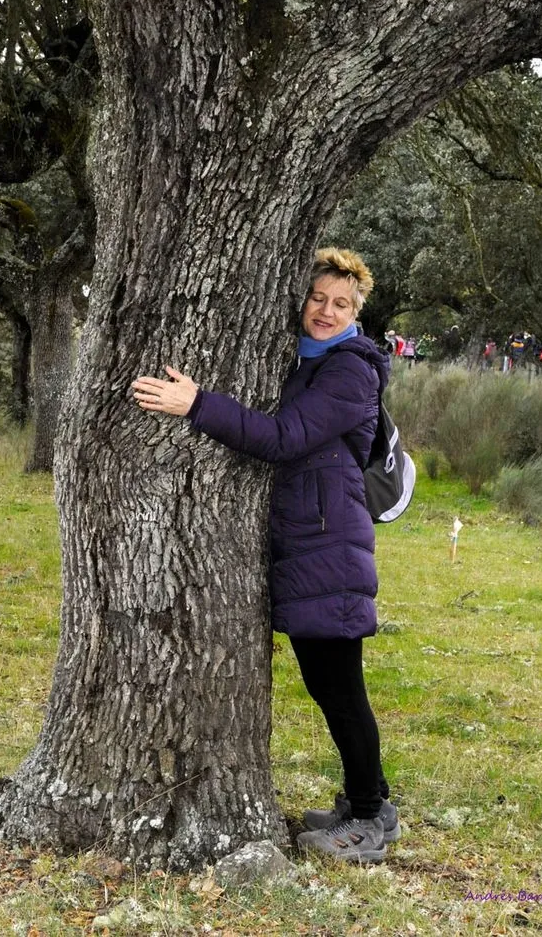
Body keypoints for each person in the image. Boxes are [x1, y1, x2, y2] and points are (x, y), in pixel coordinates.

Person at [131, 247, 400, 864]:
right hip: (313, 548)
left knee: (339, 690)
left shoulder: (349, 370)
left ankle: (368, 819)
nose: (326, 311)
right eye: (318, 298)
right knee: (333, 686)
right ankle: (373, 803)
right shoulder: (310, 361)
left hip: (328, 552)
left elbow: (283, 438)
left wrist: (196, 404)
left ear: (356, 313)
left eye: (341, 304)